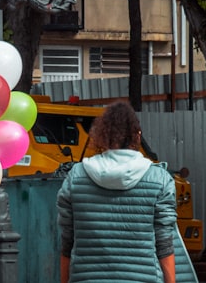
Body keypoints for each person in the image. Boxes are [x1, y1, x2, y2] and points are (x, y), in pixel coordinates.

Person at [57, 102, 176, 283]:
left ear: (103, 135)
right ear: (137, 135)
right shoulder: (159, 179)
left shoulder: (76, 177)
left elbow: (67, 242)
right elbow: (164, 244)